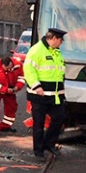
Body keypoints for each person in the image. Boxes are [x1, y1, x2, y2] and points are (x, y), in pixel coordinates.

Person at [23, 27, 67, 161]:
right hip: (40, 96)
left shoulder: (56, 52)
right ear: (54, 38)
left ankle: (49, 144)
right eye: (61, 40)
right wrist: (37, 86)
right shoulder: (36, 50)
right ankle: (39, 151)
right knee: (39, 124)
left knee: (59, 118)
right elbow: (28, 69)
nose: (61, 43)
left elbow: (58, 72)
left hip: (55, 95)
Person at [0, 55, 25, 136]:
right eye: (6, 69)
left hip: (10, 89)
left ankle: (6, 126)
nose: (9, 70)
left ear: (12, 63)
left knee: (11, 107)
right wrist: (5, 89)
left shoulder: (18, 64)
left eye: (10, 68)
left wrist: (17, 87)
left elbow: (21, 77)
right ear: (2, 65)